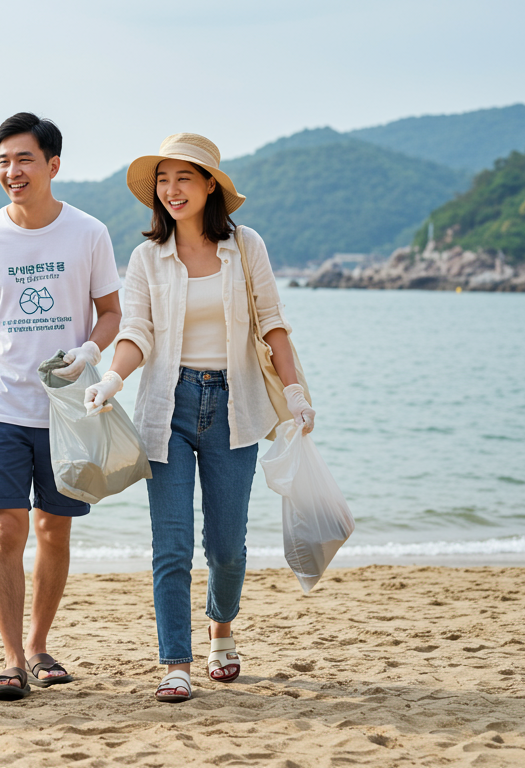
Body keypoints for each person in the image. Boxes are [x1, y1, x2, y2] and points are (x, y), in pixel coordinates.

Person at [84, 133, 316, 703]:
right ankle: (176, 663)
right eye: (162, 181)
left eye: (183, 178)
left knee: (227, 548)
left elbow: (272, 324)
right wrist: (113, 377)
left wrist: (296, 392)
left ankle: (222, 627)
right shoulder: (145, 258)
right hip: (169, 405)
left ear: (210, 184)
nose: (171, 190)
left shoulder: (246, 246)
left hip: (236, 405)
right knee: (171, 544)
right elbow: (137, 331)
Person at [0, 112, 122, 701]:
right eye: (2, 161)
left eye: (23, 159)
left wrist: (90, 351)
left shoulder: (88, 232)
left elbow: (112, 312)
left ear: (51, 165)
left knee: (54, 529)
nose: (11, 171)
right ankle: (11, 658)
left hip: (67, 407)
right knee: (6, 531)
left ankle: (41, 643)